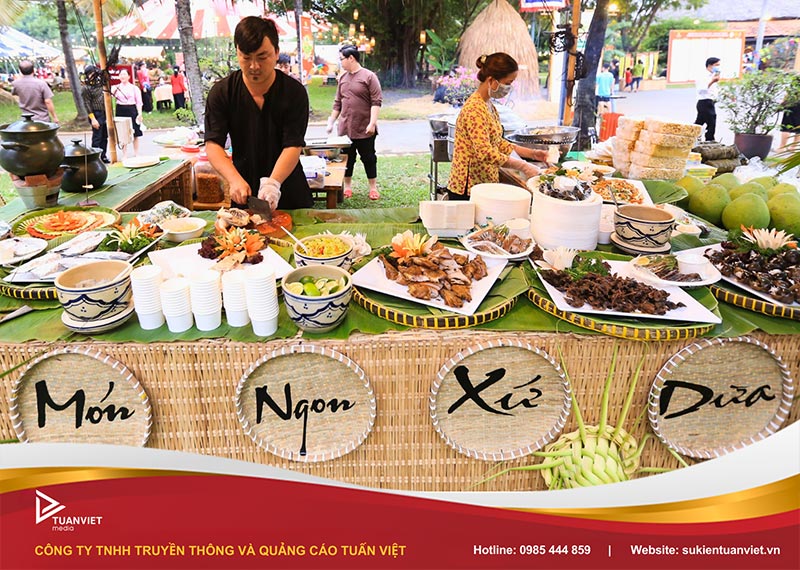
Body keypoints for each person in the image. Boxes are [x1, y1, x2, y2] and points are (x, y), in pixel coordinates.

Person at [204, 16, 312, 211]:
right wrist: (233, 179)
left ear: (277, 53)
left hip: (288, 187)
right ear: (237, 52)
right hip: (244, 189)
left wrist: (273, 184)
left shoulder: (294, 92)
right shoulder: (222, 92)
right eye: (246, 57)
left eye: (262, 57)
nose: (254, 66)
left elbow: (293, 145)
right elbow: (213, 144)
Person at [447, 53, 550, 200]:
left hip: (484, 183)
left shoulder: (489, 105)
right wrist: (523, 166)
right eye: (508, 83)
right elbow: (485, 152)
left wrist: (533, 154)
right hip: (467, 188)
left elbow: (498, 143)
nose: (509, 88)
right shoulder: (474, 109)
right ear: (491, 80)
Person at [326, 45, 383, 200]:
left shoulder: (369, 76)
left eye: (342, 59)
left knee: (369, 158)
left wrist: (372, 123)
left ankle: (373, 188)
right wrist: (331, 121)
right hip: (345, 129)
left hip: (364, 128)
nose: (340, 62)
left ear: (351, 58)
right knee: (347, 159)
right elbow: (337, 103)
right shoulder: (343, 79)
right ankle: (348, 187)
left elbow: (376, 102)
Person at [80, 64, 109, 163]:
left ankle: (103, 155)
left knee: (105, 136)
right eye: (91, 74)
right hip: (96, 114)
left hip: (105, 112)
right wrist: (93, 119)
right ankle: (95, 159)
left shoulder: (101, 84)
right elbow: (87, 104)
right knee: (97, 137)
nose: (93, 76)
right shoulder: (86, 88)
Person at [111, 69, 143, 157]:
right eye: (121, 74)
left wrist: (140, 113)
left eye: (124, 74)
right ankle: (124, 154)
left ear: (129, 76)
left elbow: (139, 102)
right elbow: (110, 97)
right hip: (120, 109)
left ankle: (136, 153)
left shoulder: (134, 88)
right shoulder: (116, 87)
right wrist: (114, 90)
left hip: (132, 109)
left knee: (135, 132)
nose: (122, 76)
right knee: (122, 133)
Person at [694, 57, 721, 142]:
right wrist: (712, 81)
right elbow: (701, 90)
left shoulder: (713, 76)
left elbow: (714, 90)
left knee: (699, 122)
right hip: (704, 101)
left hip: (710, 101)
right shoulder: (703, 76)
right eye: (716, 65)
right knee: (711, 121)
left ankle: (692, 136)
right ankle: (710, 139)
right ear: (710, 65)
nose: (718, 67)